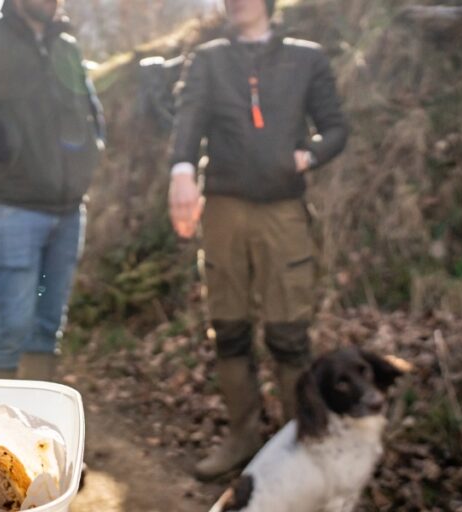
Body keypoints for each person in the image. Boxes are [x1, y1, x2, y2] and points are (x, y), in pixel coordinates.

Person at [168, 0, 348, 480]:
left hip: (283, 211)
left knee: (289, 335)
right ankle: (243, 438)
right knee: (229, 331)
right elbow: (188, 121)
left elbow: (335, 126)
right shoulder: (208, 59)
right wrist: (182, 172)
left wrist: (307, 156)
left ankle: (301, 447)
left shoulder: (306, 57)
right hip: (223, 209)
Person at [0, 0, 103, 380]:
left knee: (46, 327)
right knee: (12, 326)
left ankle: (34, 426)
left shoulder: (67, 45)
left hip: (66, 215)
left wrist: (92, 151)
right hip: (13, 211)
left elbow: (89, 109)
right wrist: (10, 144)